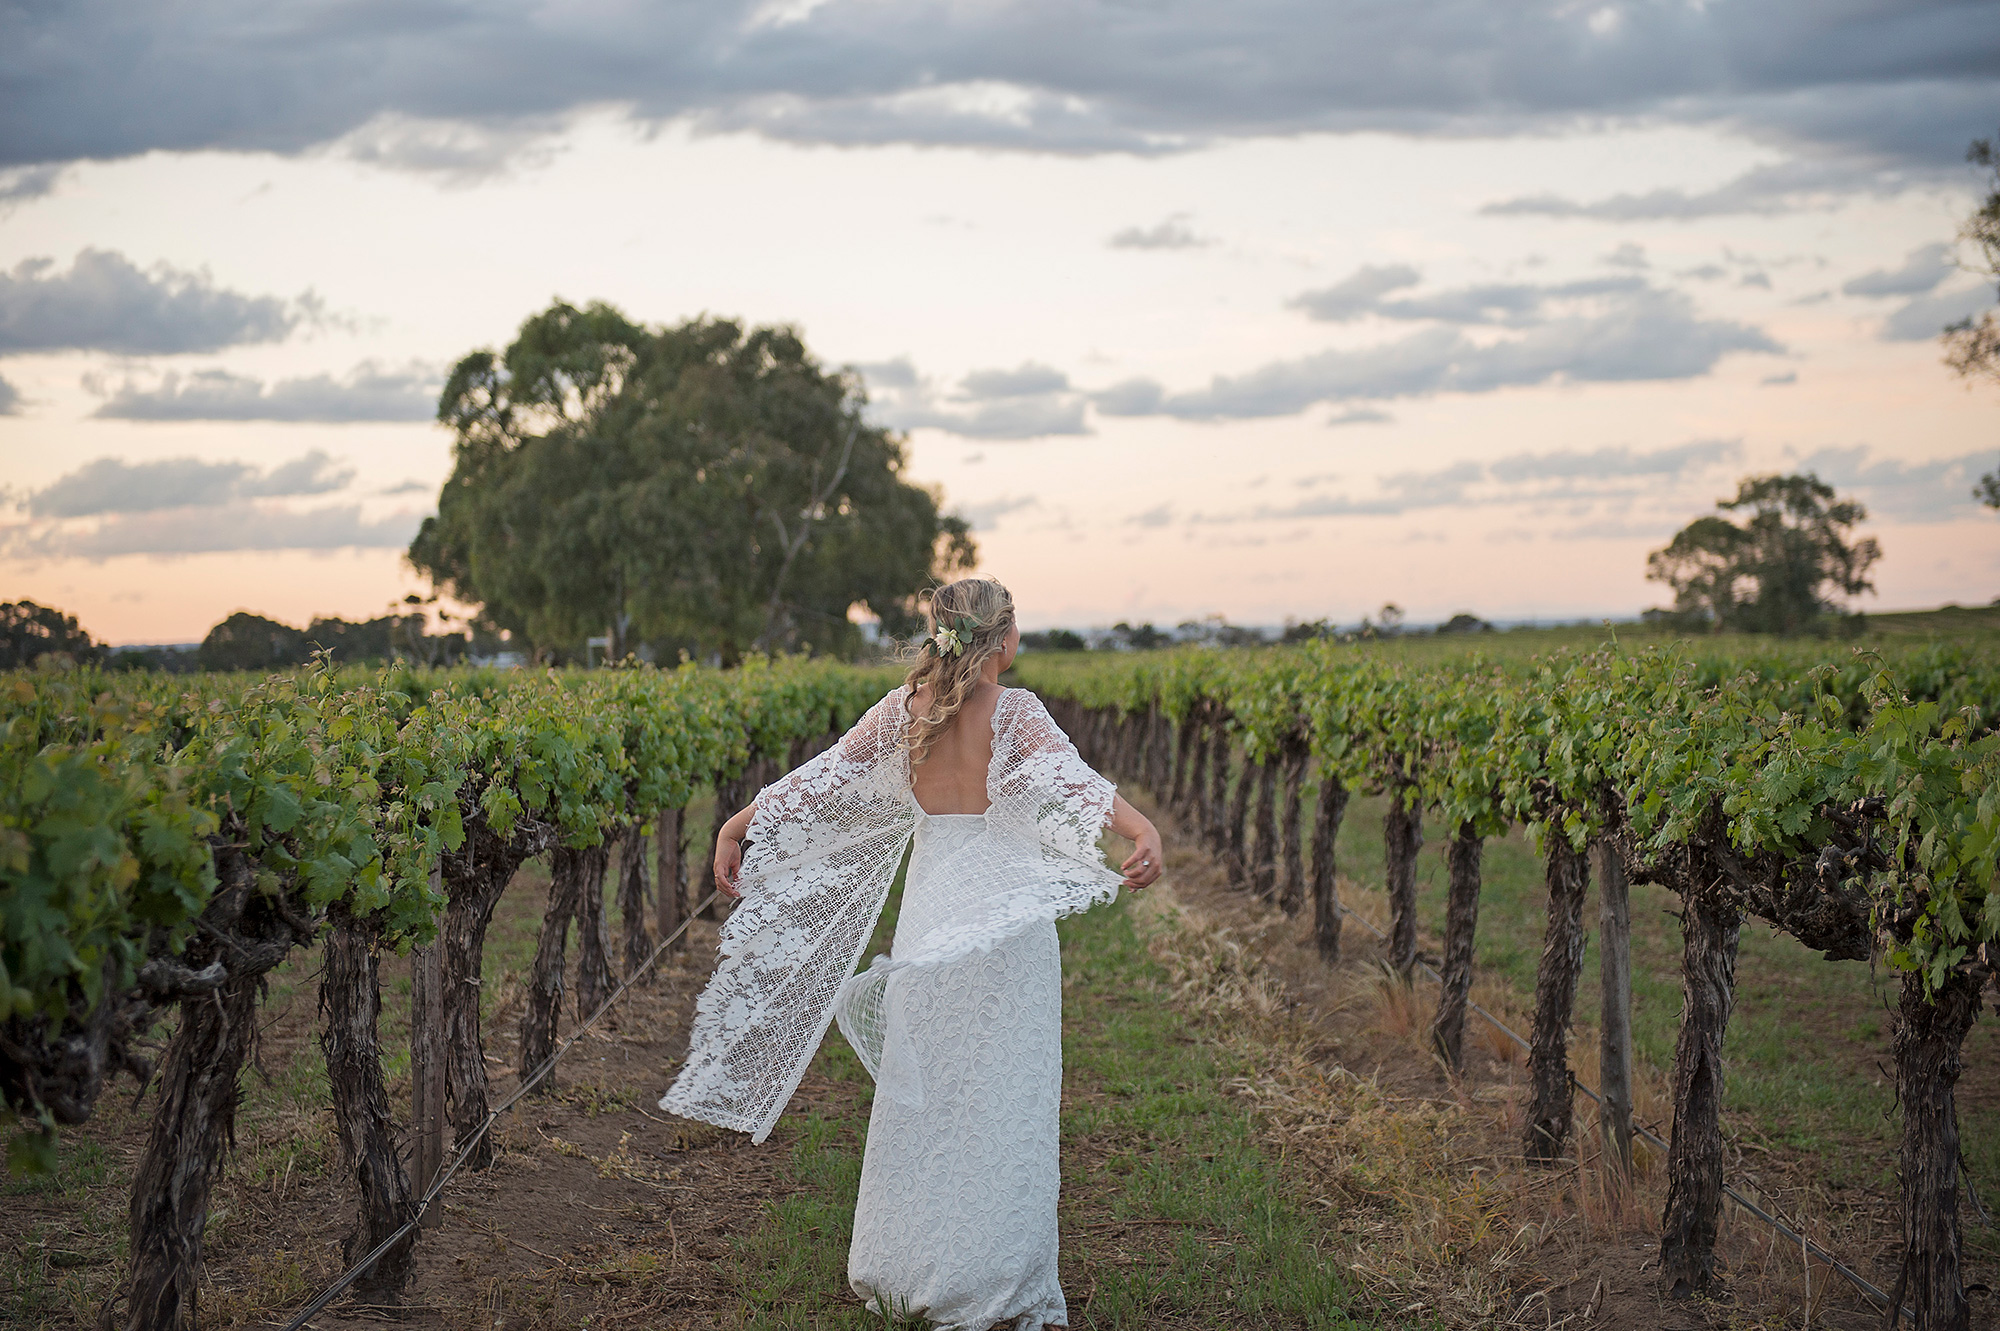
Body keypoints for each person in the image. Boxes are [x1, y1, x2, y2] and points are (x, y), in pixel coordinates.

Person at [660, 576, 1161, 1331]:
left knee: (931, 1087)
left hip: (932, 911)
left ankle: (910, 1261)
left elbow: (820, 779)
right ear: (1006, 637)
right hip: (1001, 923)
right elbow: (1077, 784)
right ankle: (995, 1270)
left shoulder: (904, 713)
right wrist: (1140, 827)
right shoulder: (1017, 713)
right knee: (1004, 1087)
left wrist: (738, 821)